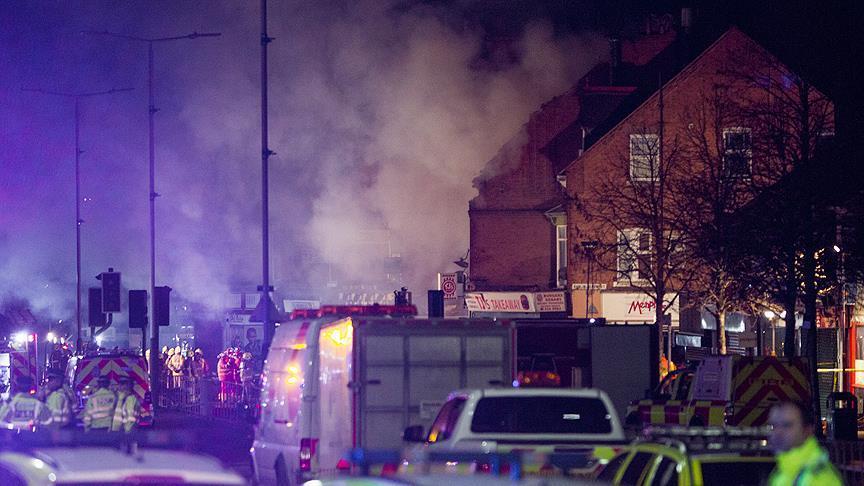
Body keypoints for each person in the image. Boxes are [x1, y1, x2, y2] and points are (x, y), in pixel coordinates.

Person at [767, 400, 843, 486]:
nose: (777, 433)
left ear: (808, 430)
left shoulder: (821, 478)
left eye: (787, 425)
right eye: (773, 426)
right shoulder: (783, 470)